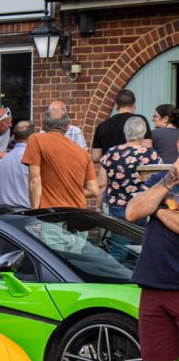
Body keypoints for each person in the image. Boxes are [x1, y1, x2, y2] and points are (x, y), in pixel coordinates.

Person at [124, 155, 179, 361]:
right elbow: (133, 212)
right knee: (160, 357)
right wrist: (167, 183)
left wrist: (157, 210)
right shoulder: (164, 181)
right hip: (154, 282)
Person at [98, 117, 161, 260]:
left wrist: (98, 206)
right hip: (142, 207)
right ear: (144, 132)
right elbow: (158, 181)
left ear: (126, 131)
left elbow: (102, 183)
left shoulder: (111, 152)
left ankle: (113, 279)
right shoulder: (150, 153)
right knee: (141, 251)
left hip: (118, 208)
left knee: (117, 250)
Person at [22, 109, 99, 209]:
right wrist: (69, 194)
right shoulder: (83, 153)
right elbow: (94, 190)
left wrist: (34, 211)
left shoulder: (36, 139)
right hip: (78, 213)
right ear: (67, 127)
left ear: (43, 125)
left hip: (50, 214)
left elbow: (34, 180)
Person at [92, 89, 150, 163]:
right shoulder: (140, 121)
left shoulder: (102, 126)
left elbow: (95, 157)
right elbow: (147, 146)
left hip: (110, 172)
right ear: (134, 104)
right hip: (135, 170)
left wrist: (113, 158)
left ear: (116, 105)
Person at [0, 120, 33, 208]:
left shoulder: (2, 161)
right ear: (32, 137)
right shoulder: (33, 159)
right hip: (29, 214)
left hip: (5, 215)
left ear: (14, 137)